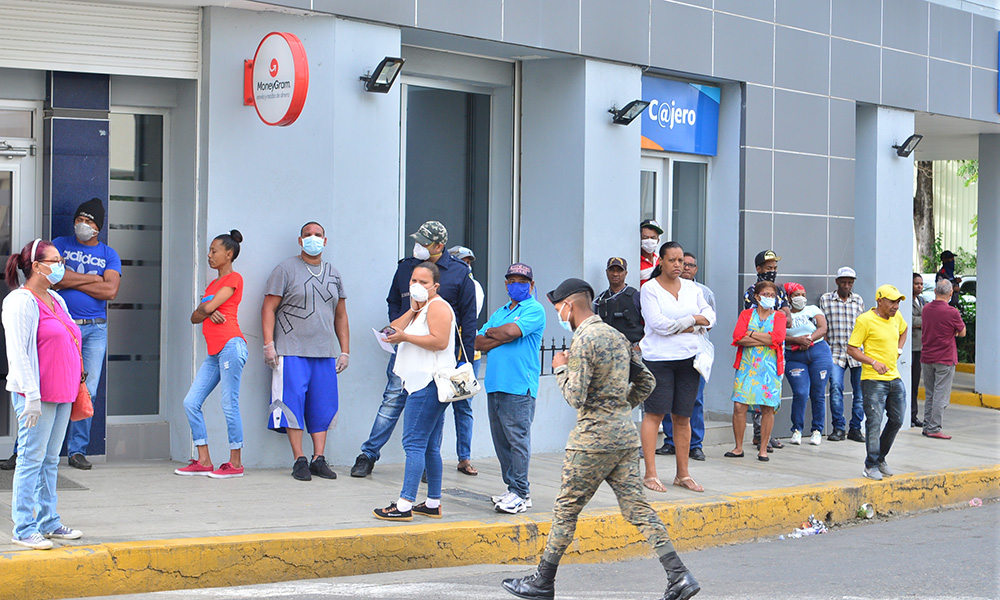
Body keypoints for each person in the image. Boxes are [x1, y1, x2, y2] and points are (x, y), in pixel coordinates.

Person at [500, 278, 700, 600]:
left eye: (558, 309)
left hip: (591, 441)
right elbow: (647, 381)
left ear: (571, 306)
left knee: (566, 510)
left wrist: (560, 368)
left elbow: (576, 397)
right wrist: (620, 407)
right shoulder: (616, 335)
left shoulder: (583, 340)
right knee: (637, 507)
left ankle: (542, 582)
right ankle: (679, 576)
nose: (558, 314)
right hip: (623, 437)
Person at [352, 221, 476, 478]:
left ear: (440, 246)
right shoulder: (406, 267)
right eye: (417, 240)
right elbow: (394, 302)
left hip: (438, 354)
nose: (418, 246)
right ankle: (369, 454)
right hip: (406, 347)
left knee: (435, 407)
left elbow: (468, 319)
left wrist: (466, 359)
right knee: (393, 399)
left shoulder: (459, 273)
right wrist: (398, 329)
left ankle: (426, 466)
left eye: (425, 242)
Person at [3, 239, 85, 549]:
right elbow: (19, 352)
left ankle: (48, 521)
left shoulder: (56, 299)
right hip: (36, 394)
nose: (61, 265)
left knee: (50, 460)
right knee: (30, 459)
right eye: (56, 260)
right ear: (37, 266)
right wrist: (31, 397)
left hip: (63, 392)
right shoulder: (21, 301)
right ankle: (24, 527)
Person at [261, 222, 349, 481]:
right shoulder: (285, 269)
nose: (313, 239)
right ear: (300, 241)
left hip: (324, 353)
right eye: (308, 235)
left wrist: (345, 351)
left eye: (318, 235)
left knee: (322, 406)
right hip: (291, 351)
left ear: (326, 240)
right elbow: (268, 308)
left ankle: (318, 459)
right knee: (292, 405)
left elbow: (341, 315)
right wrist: (269, 344)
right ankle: (299, 459)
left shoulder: (333, 274)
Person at [373, 262, 456, 521]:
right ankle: (432, 502)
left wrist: (406, 338)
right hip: (419, 383)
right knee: (430, 445)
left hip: (428, 384)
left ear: (436, 286)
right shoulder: (420, 309)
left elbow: (439, 341)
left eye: (423, 282)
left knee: (413, 443)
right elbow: (392, 329)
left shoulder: (439, 307)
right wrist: (412, 309)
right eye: (413, 281)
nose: (417, 286)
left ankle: (404, 503)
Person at [639, 242, 715, 493]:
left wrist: (690, 321)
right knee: (655, 414)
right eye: (672, 260)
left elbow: (710, 317)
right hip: (658, 360)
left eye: (681, 260)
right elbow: (658, 325)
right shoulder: (649, 289)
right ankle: (651, 474)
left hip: (689, 359)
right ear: (660, 261)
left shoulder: (693, 288)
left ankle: (683, 474)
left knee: (683, 416)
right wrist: (694, 324)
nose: (677, 265)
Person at [51, 198, 122, 470]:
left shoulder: (109, 254)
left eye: (89, 221)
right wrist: (95, 278)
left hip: (95, 329)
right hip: (63, 326)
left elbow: (111, 291)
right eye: (79, 219)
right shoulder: (59, 244)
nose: (83, 225)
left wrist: (73, 278)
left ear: (98, 227)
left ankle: (77, 451)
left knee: (87, 391)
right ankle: (36, 448)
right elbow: (56, 278)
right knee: (52, 385)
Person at [173, 230, 247, 479]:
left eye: (214, 251)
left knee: (229, 404)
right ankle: (204, 460)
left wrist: (207, 308)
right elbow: (195, 317)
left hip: (230, 345)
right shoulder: (213, 284)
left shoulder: (234, 278)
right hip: (215, 352)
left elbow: (207, 307)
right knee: (191, 402)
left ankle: (235, 463)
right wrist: (206, 310)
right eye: (210, 250)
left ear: (229, 254)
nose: (209, 255)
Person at [475, 263, 546, 514]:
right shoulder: (501, 311)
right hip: (495, 383)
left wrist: (499, 334)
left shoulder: (535, 309)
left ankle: (521, 492)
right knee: (501, 441)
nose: (516, 285)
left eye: (522, 281)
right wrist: (500, 334)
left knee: (517, 440)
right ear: (506, 284)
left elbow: (511, 332)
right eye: (512, 281)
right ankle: (513, 487)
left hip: (518, 386)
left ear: (532, 285)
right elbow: (479, 341)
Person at [846, 285, 908, 481]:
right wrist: (873, 362)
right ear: (879, 301)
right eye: (892, 301)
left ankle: (880, 458)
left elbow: (904, 331)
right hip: (873, 380)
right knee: (874, 423)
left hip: (894, 377)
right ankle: (870, 465)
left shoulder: (896, 318)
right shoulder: (865, 320)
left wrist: (898, 350)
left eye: (898, 302)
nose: (896, 306)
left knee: (897, 420)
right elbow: (852, 348)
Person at [658, 251, 714, 461]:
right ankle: (671, 441)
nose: (685, 267)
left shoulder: (704, 292)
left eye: (689, 264)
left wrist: (687, 327)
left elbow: (708, 323)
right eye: (682, 263)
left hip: (695, 352)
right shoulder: (661, 289)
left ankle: (695, 445)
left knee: (694, 400)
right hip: (668, 353)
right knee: (667, 399)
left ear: (695, 269)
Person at [728, 281, 787, 462]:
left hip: (770, 368)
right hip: (747, 366)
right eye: (765, 294)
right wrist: (765, 339)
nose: (768, 298)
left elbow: (777, 339)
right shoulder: (746, 314)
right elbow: (737, 337)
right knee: (739, 406)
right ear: (756, 296)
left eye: (772, 295)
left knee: (767, 407)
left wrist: (751, 334)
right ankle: (738, 447)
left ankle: (763, 449)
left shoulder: (779, 317)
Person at [742, 249, 789, 451]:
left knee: (772, 394)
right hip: (756, 351)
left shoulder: (780, 291)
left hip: (777, 351)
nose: (772, 271)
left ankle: (767, 435)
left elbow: (787, 317)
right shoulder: (751, 291)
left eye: (775, 268)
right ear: (758, 269)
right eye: (769, 268)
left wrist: (776, 320)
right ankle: (759, 435)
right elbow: (755, 321)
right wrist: (773, 323)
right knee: (758, 393)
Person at [445, 245, 484, 476]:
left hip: (466, 354)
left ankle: (464, 458)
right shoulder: (441, 282)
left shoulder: (474, 286)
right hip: (444, 351)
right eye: (462, 260)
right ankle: (430, 461)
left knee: (464, 406)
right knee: (435, 407)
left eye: (469, 261)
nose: (467, 265)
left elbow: (469, 314)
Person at [819, 266, 866, 443]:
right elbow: (822, 326)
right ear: (837, 282)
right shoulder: (826, 299)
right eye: (844, 282)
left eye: (850, 282)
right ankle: (838, 427)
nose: (847, 285)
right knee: (835, 388)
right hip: (835, 353)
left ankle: (855, 428)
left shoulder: (858, 300)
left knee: (860, 392)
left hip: (856, 353)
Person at [783, 282, 832, 446]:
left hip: (818, 352)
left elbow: (823, 327)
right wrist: (796, 340)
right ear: (789, 298)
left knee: (818, 393)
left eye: (803, 295)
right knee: (801, 392)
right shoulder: (783, 313)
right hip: (794, 355)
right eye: (797, 295)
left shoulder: (812, 310)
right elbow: (778, 334)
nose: (801, 298)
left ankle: (817, 430)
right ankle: (797, 429)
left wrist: (808, 339)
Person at [919, 279, 966, 440]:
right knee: (941, 394)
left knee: (930, 393)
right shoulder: (952, 312)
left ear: (935, 291)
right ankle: (934, 427)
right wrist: (953, 332)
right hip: (945, 358)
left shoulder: (926, 309)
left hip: (927, 357)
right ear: (951, 293)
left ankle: (927, 426)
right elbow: (963, 332)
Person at [593, 257, 643, 344]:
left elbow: (650, 324)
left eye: (619, 271)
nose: (615, 274)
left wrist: (640, 345)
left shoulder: (636, 296)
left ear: (625, 273)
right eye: (612, 270)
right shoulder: (601, 299)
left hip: (632, 348)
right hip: (607, 349)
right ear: (607, 272)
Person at [910, 273, 928, 427]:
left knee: (915, 383)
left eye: (921, 284)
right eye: (916, 283)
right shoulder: (906, 301)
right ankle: (907, 414)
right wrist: (925, 321)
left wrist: (922, 321)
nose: (919, 286)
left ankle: (913, 415)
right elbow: (909, 320)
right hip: (910, 347)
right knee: (908, 382)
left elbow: (930, 316)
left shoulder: (922, 300)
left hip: (920, 347)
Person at [639, 219, 663, 286]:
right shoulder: (636, 262)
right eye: (645, 237)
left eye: (653, 237)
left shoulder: (661, 260)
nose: (649, 240)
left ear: (658, 241)